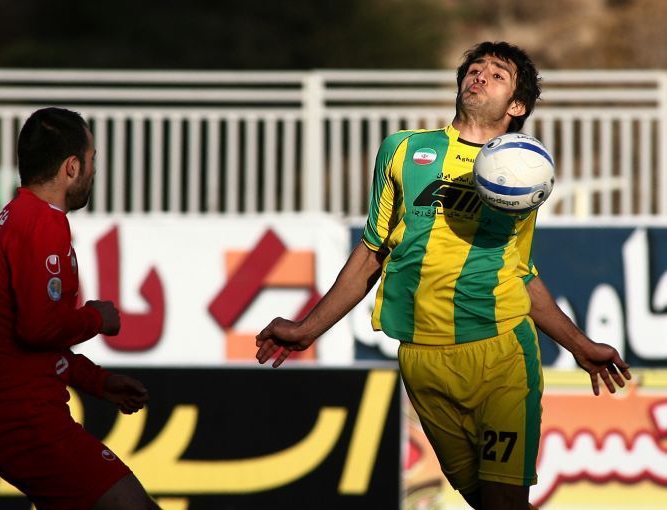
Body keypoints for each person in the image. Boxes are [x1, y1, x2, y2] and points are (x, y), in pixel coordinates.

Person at [255, 41, 631, 510]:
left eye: (497, 74)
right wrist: (307, 329)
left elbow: (518, 272)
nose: (480, 75)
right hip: (421, 359)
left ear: (516, 106)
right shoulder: (403, 150)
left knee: (503, 500)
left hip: (500, 353)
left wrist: (579, 345)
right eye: (475, 68)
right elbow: (372, 254)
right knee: (483, 500)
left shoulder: (523, 173)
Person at [0, 107, 160, 510]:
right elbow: (38, 329)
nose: (94, 171)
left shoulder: (16, 217)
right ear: (72, 167)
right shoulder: (42, 224)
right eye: (92, 161)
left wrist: (98, 381)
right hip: (28, 422)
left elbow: (33, 346)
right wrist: (97, 318)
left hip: (16, 419)